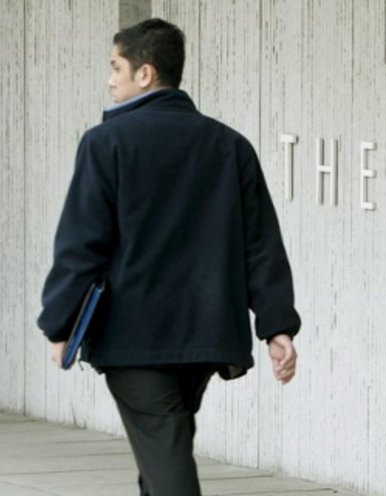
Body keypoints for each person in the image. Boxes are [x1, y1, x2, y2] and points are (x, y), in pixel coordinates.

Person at [36, 18, 301, 496]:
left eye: (116, 67)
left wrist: (60, 324)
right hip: (206, 333)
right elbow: (260, 244)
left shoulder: (106, 143)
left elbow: (81, 244)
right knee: (164, 448)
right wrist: (276, 325)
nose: (109, 79)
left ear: (145, 73)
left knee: (164, 450)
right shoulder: (230, 146)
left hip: (136, 335)